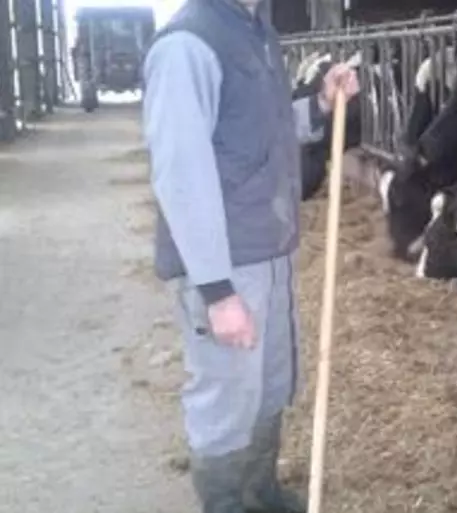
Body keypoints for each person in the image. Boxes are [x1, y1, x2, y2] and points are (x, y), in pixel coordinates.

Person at [141, 0, 359, 511]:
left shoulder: (257, 31)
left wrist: (322, 104)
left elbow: (264, 130)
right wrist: (218, 293)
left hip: (267, 251)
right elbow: (181, 174)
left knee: (268, 384)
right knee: (226, 399)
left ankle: (259, 494)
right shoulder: (187, 45)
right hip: (223, 264)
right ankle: (226, 504)